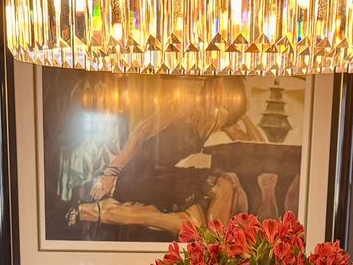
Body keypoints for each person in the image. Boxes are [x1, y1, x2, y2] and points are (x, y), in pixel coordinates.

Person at [67, 78, 266, 235]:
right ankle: (101, 211)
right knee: (215, 196)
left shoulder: (217, 119)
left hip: (167, 176)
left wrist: (242, 114)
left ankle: (214, 257)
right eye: (217, 88)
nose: (217, 93)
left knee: (217, 197)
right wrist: (112, 172)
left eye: (224, 91)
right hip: (140, 173)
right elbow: (141, 131)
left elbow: (257, 143)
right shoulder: (186, 103)